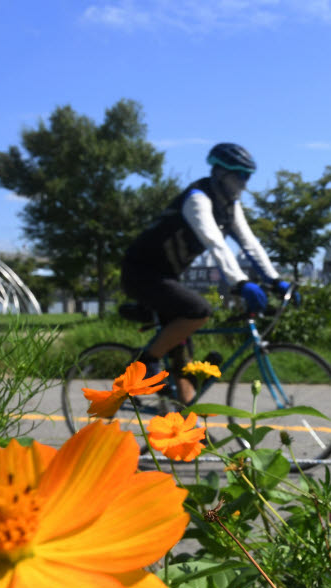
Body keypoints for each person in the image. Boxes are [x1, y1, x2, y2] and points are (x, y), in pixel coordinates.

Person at [121, 142, 289, 404]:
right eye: (241, 175)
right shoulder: (197, 199)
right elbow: (215, 243)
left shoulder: (230, 205)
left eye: (249, 176)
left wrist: (275, 280)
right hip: (141, 272)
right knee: (199, 310)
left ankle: (183, 421)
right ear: (221, 174)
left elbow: (250, 244)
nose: (245, 183)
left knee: (184, 361)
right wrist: (241, 283)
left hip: (166, 278)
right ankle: (146, 362)